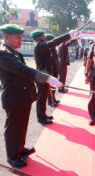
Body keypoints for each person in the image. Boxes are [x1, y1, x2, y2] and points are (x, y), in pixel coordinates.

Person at [0, 24, 62, 168]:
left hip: (23, 95)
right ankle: (13, 156)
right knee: (14, 128)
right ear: (5, 37)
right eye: (17, 37)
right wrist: (47, 78)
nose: (20, 40)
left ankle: (20, 149)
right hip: (14, 97)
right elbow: (22, 69)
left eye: (21, 37)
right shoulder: (3, 53)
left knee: (22, 126)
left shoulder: (14, 52)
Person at [31, 29, 79, 125]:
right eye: (43, 35)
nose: (45, 37)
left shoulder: (42, 45)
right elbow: (53, 42)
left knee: (44, 96)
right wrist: (68, 35)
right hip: (42, 76)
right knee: (41, 98)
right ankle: (41, 117)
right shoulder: (39, 45)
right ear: (38, 38)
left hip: (45, 74)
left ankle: (43, 115)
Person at [45, 33, 60, 107]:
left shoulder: (53, 49)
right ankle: (50, 101)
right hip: (50, 71)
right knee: (49, 87)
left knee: (53, 86)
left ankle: (53, 98)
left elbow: (56, 60)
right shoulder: (46, 49)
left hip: (55, 70)